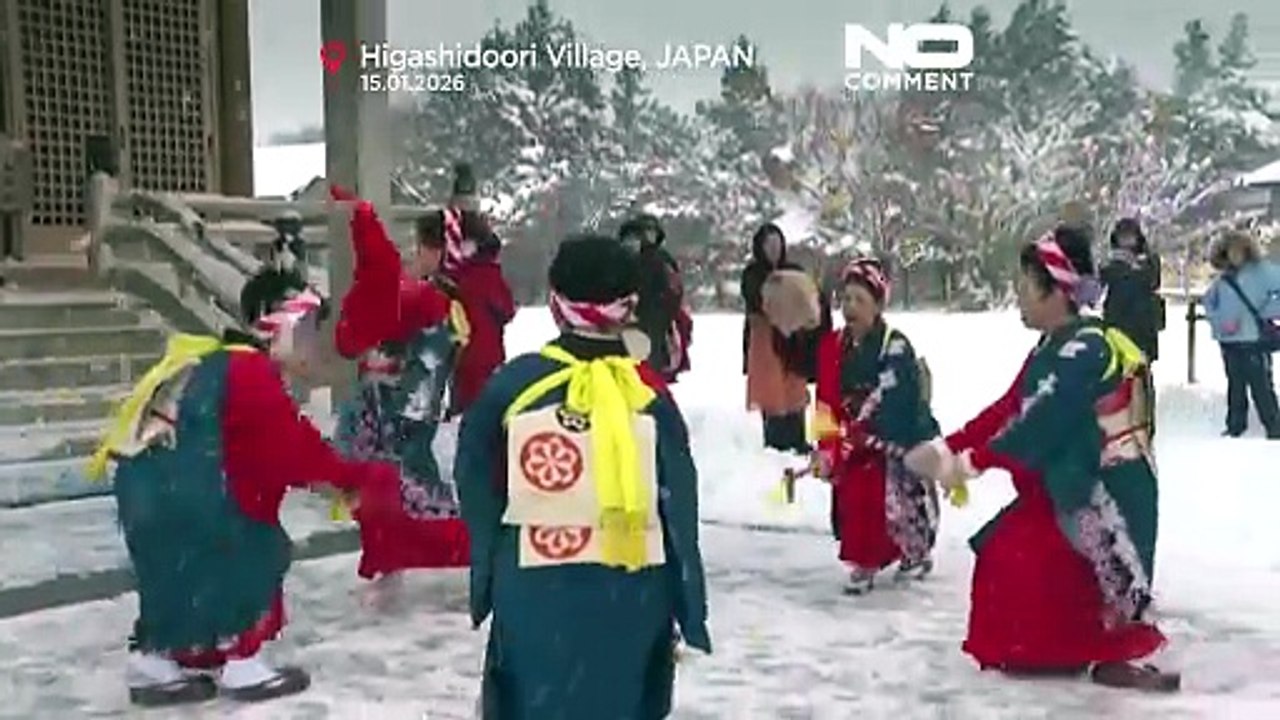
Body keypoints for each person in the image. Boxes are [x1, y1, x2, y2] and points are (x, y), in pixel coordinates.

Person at [88, 279, 401, 707]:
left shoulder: (215, 362)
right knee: (259, 547)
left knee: (181, 572)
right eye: (309, 329)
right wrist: (361, 478)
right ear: (281, 325)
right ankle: (241, 660)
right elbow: (295, 453)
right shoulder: (251, 373)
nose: (315, 344)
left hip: (152, 497)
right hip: (187, 501)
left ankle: (156, 660)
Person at [904, 225, 1178, 692]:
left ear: (1057, 291)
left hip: (1108, 490)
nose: (1018, 295)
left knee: (1045, 559)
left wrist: (969, 463)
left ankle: (1113, 650)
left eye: (1026, 286)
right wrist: (948, 446)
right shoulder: (1054, 345)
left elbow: (1039, 422)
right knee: (1007, 551)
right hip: (1070, 480)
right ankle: (1057, 648)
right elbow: (1010, 407)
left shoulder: (1085, 347)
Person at [454, 234, 711, 719]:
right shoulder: (648, 394)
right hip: (633, 591)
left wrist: (489, 572)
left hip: (535, 589)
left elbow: (475, 484)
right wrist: (687, 601)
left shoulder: (513, 387)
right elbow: (678, 505)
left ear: (556, 304)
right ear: (629, 308)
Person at [330, 185, 471, 580]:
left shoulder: (434, 296)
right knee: (393, 478)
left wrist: (405, 397)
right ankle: (399, 549)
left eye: (421, 246)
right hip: (397, 397)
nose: (415, 254)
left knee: (406, 476)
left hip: (404, 401)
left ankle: (437, 548)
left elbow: (431, 357)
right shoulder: (430, 292)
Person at [813, 258, 942, 594]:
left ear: (878, 305)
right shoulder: (832, 346)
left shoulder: (894, 345)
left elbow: (898, 396)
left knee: (889, 499)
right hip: (851, 439)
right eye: (846, 299)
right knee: (853, 500)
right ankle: (864, 559)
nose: (850, 307)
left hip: (893, 438)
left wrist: (869, 430)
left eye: (860, 300)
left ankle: (911, 552)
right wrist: (827, 445)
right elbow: (825, 400)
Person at [436, 165, 517, 417]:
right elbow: (507, 310)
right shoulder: (488, 275)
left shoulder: (450, 266)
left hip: (455, 347)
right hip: (485, 350)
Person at [740, 223, 820, 453]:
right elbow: (756, 298)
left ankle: (797, 437)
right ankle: (775, 440)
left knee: (794, 386)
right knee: (771, 389)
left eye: (777, 243)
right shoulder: (753, 274)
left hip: (793, 339)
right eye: (769, 244)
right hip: (765, 339)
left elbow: (807, 296)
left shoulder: (794, 270)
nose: (774, 249)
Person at [1203, 230, 1280, 439]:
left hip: (1252, 338)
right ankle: (1236, 425)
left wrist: (1268, 310)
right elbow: (1208, 303)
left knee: (1260, 385)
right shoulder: (1223, 278)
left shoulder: (1261, 272)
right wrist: (1220, 322)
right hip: (1229, 341)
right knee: (1236, 385)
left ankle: (1273, 426)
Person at [1100, 217, 1163, 436]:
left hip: (1143, 327)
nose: (1127, 241)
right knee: (1117, 378)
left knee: (1142, 377)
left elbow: (1151, 280)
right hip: (1117, 327)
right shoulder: (1111, 263)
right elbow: (1102, 281)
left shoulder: (1149, 260)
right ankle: (1121, 423)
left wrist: (1130, 268)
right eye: (1123, 237)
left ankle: (1145, 424)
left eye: (1130, 236)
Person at [619, 213, 693, 382]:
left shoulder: (660, 259)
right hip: (633, 321)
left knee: (648, 371)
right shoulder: (623, 258)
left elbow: (674, 291)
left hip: (652, 322)